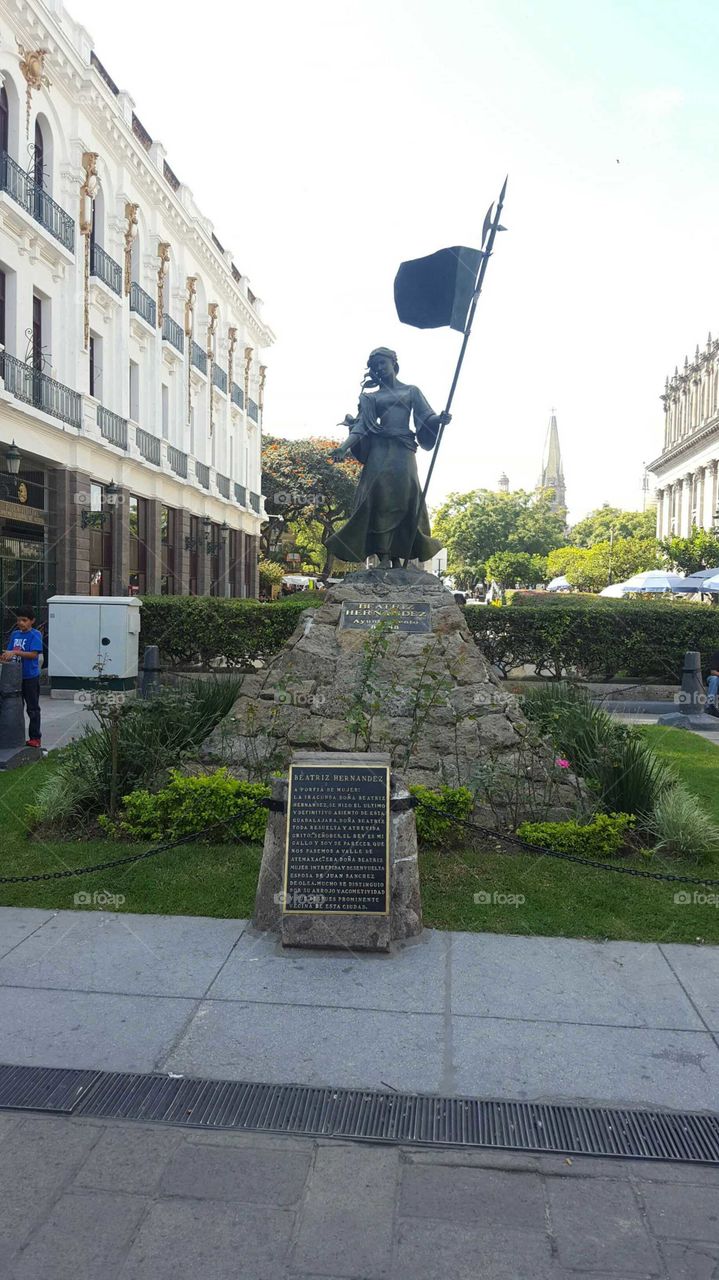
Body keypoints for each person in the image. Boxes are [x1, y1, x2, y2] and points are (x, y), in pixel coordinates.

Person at [327, 347, 450, 568]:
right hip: (380, 451)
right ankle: (383, 556)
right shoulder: (370, 398)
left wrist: (439, 420)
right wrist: (343, 448)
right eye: (375, 367)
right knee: (381, 498)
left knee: (406, 497)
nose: (380, 369)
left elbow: (425, 416)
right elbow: (362, 426)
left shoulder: (412, 391)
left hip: (404, 450)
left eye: (383, 363)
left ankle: (400, 555)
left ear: (394, 363)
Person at [1, 607, 44, 747]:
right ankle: (15, 737)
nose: (20, 623)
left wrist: (14, 653)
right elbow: (10, 652)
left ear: (32, 621)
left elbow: (33, 654)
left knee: (32, 708)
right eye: (18, 620)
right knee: (14, 707)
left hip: (30, 677)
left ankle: (35, 737)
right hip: (15, 677)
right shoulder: (14, 634)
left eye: (24, 620)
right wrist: (5, 657)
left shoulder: (35, 634)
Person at [706, 650, 719, 718]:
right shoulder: (717, 654)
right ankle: (710, 705)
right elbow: (713, 672)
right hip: (716, 678)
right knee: (714, 679)